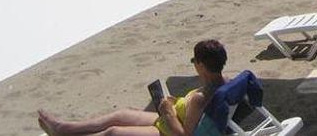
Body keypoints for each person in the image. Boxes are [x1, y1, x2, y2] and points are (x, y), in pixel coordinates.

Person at [37, 40, 228, 136]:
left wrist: (168, 113)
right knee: (120, 115)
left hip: (168, 129)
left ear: (201, 65)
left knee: (113, 132)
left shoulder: (200, 98)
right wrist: (171, 105)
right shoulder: (223, 82)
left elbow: (183, 135)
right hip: (172, 116)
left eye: (194, 60)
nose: (194, 64)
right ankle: (64, 127)